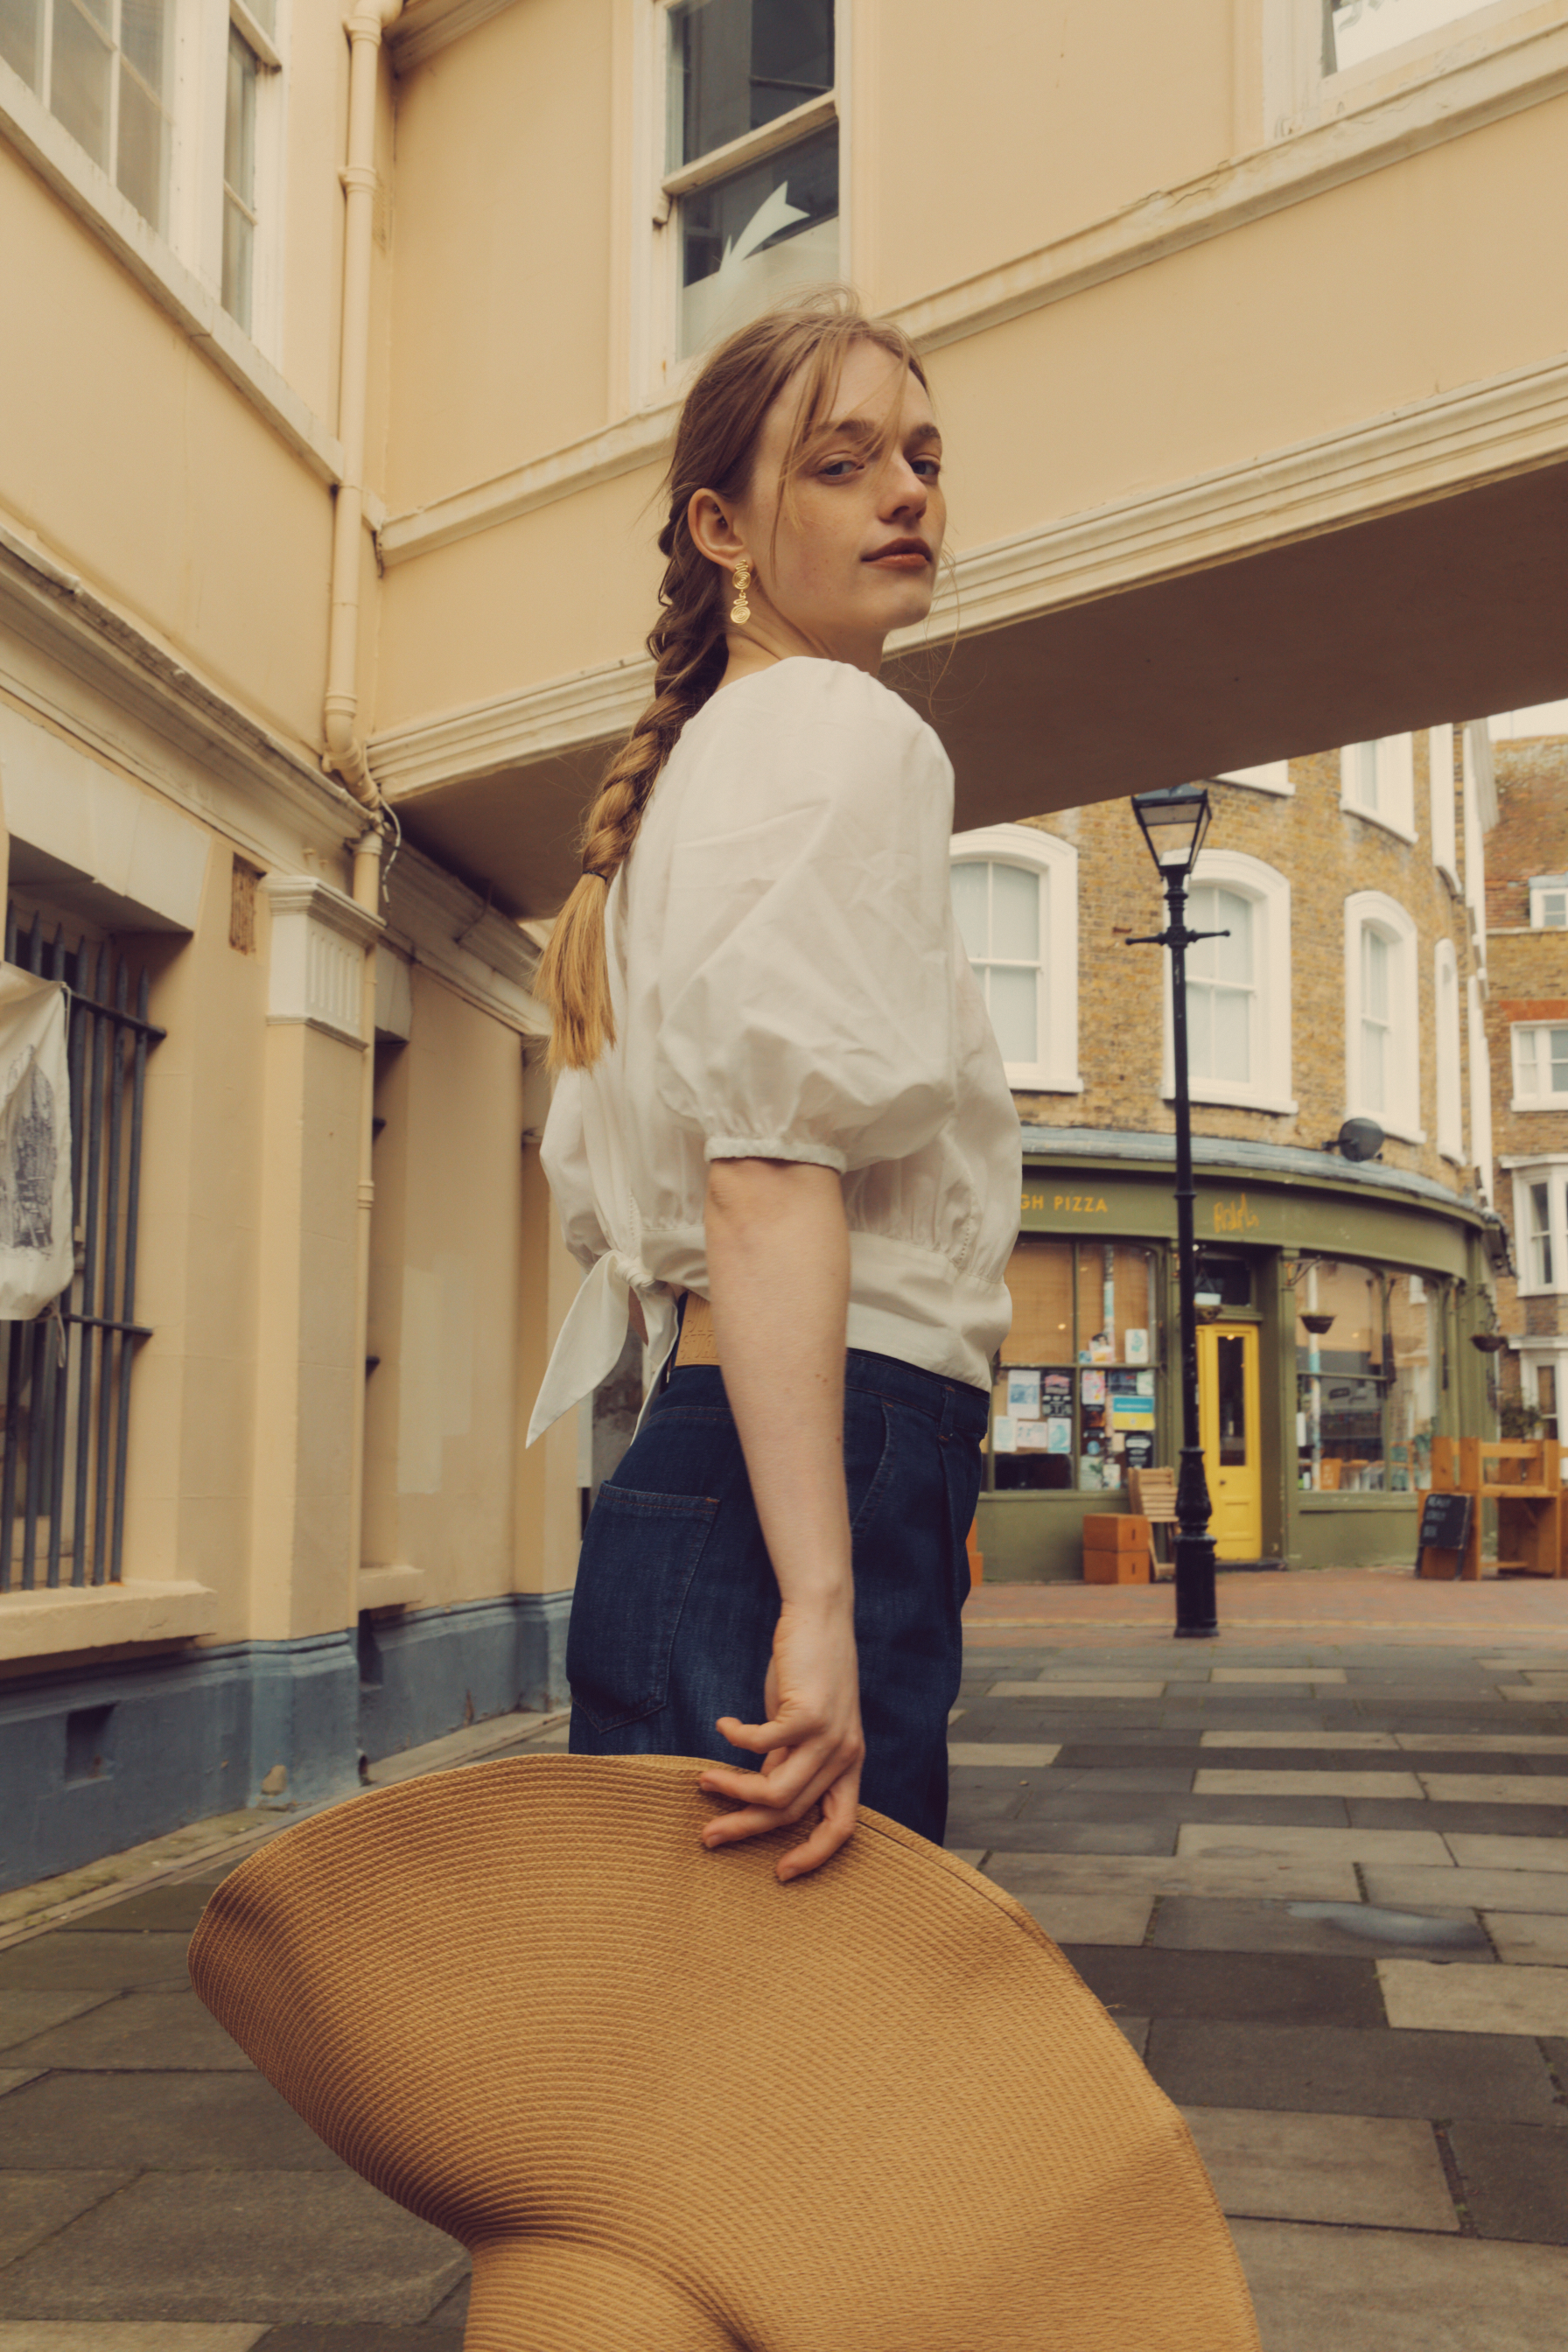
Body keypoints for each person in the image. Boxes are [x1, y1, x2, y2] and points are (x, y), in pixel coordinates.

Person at [528, 292, 1021, 1885]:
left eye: (923, 458)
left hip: (715, 1456)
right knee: (813, 2013)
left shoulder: (696, 779)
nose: (908, 493)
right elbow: (765, 1170)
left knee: (693, 2013)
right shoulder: (828, 724)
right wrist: (821, 1590)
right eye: (843, 462)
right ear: (722, 528)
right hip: (796, 1470)